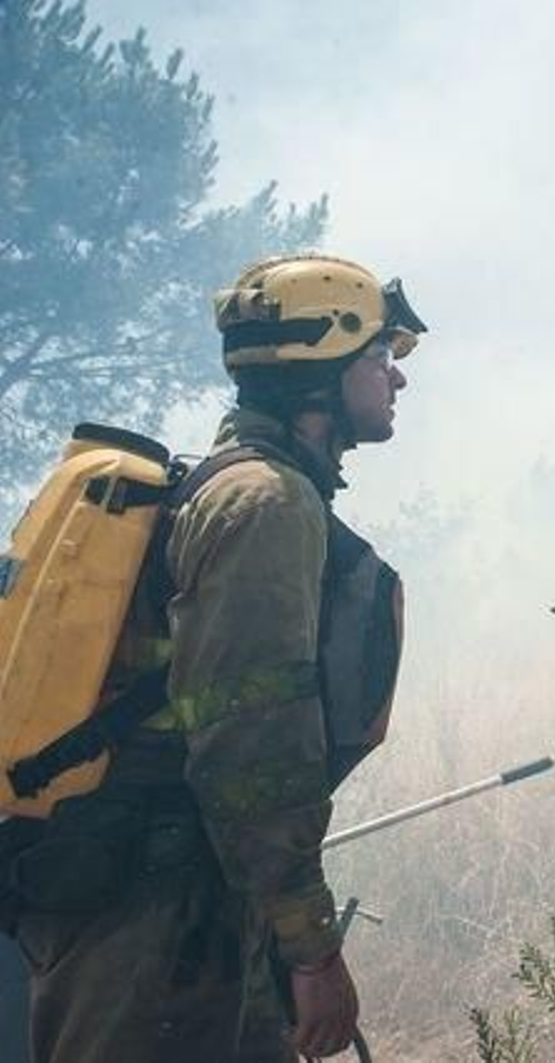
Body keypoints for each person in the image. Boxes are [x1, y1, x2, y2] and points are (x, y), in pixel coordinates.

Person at [14, 253, 422, 1061]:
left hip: (167, 895)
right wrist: (310, 947)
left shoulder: (235, 489)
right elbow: (252, 743)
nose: (396, 381)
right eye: (379, 358)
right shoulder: (265, 506)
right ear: (324, 371)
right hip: (159, 920)